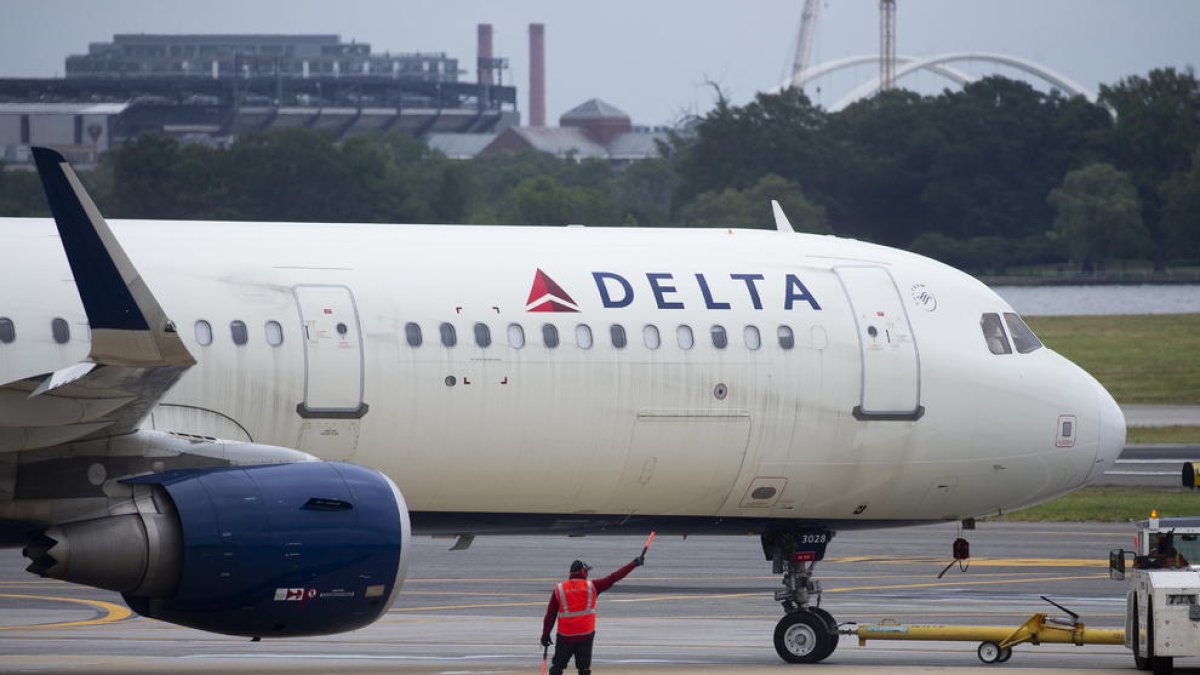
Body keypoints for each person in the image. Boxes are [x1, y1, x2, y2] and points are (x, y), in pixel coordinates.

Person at [541, 554, 644, 675]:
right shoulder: (592, 586)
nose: (588, 574)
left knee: (557, 667)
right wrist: (633, 564)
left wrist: (545, 634)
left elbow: (550, 615)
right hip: (585, 635)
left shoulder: (560, 589)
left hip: (565, 635)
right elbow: (614, 577)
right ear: (583, 572)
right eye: (587, 571)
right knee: (584, 669)